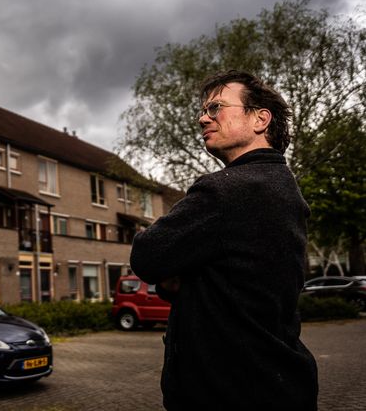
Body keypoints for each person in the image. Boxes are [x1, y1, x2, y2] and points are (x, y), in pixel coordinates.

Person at [130, 70, 318, 410]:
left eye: (216, 107)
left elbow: (146, 257)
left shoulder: (225, 189)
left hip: (226, 392)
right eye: (203, 110)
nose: (203, 117)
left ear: (261, 119)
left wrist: (178, 269)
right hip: (278, 384)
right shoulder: (283, 186)